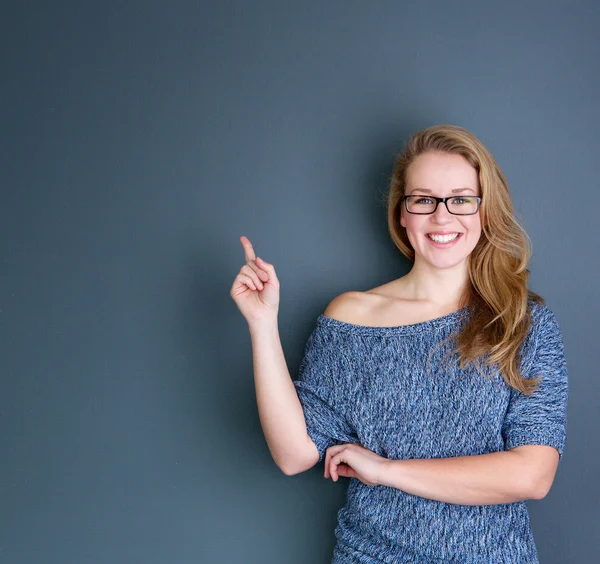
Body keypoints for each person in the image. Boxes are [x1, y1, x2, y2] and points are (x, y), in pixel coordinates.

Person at [229, 124, 569, 563]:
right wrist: (262, 323)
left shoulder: (524, 323)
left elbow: (533, 474)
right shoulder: (352, 318)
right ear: (402, 213)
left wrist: (388, 471)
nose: (442, 217)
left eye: (461, 199)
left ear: (486, 211)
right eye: (424, 200)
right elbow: (294, 454)